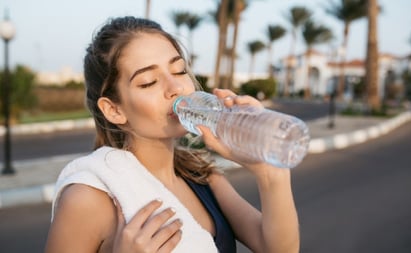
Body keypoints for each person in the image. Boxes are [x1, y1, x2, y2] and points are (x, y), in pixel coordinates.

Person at [45, 16, 299, 253]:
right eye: (148, 82)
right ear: (114, 110)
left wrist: (270, 172)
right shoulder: (88, 199)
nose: (176, 87)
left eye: (179, 71)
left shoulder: (203, 176)